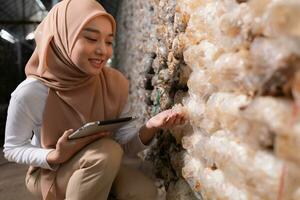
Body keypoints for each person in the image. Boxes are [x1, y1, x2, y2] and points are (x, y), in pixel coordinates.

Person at [3, 0, 186, 200]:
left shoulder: (114, 83)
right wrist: (54, 156)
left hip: (103, 163)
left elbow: (125, 146)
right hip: (50, 172)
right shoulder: (32, 92)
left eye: (108, 41)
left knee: (143, 191)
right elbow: (12, 148)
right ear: (63, 39)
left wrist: (150, 126)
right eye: (91, 39)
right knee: (106, 151)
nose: (103, 51)